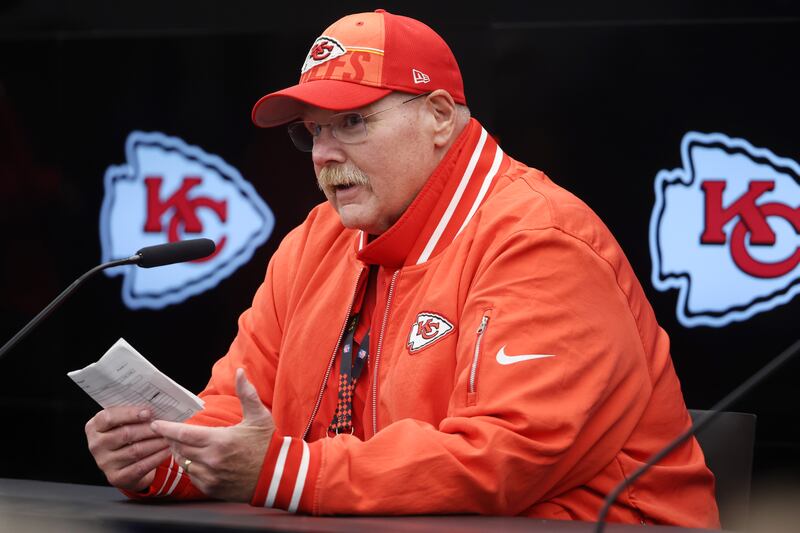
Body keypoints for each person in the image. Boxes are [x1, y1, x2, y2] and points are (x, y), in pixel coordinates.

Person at [84, 9, 720, 526]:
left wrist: (283, 472)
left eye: (353, 123)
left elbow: (505, 456)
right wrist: (168, 457)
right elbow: (238, 409)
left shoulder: (538, 239)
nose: (324, 155)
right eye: (311, 132)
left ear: (439, 116)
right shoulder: (315, 240)